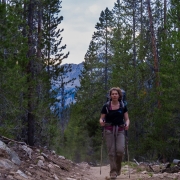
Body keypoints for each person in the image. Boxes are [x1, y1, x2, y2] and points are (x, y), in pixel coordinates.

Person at [99, 87, 130, 179]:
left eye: (116, 94)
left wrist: (127, 124)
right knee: (111, 152)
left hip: (120, 130)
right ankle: (113, 172)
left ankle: (118, 168)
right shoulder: (106, 106)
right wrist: (101, 121)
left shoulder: (123, 106)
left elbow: (127, 119)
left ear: (119, 95)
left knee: (120, 151)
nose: (114, 95)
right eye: (112, 94)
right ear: (110, 96)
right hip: (109, 129)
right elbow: (101, 118)